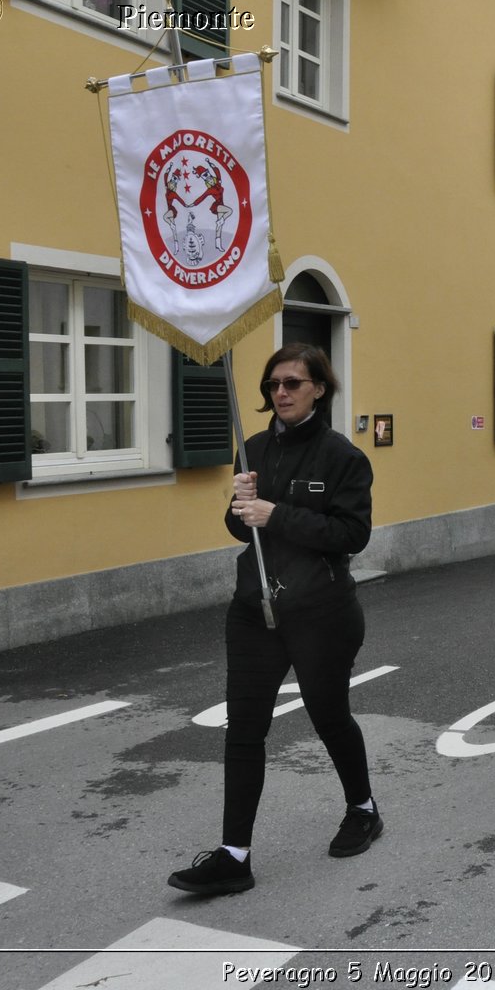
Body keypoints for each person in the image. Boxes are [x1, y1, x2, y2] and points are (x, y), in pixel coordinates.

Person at [169, 345, 378, 897]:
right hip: (255, 610)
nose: (280, 392)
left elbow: (352, 535)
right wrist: (241, 507)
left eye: (291, 383)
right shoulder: (253, 447)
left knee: (329, 717)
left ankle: (363, 809)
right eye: (272, 384)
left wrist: (276, 514)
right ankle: (234, 856)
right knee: (244, 731)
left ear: (318, 389)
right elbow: (243, 532)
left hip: (322, 613)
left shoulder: (343, 458)